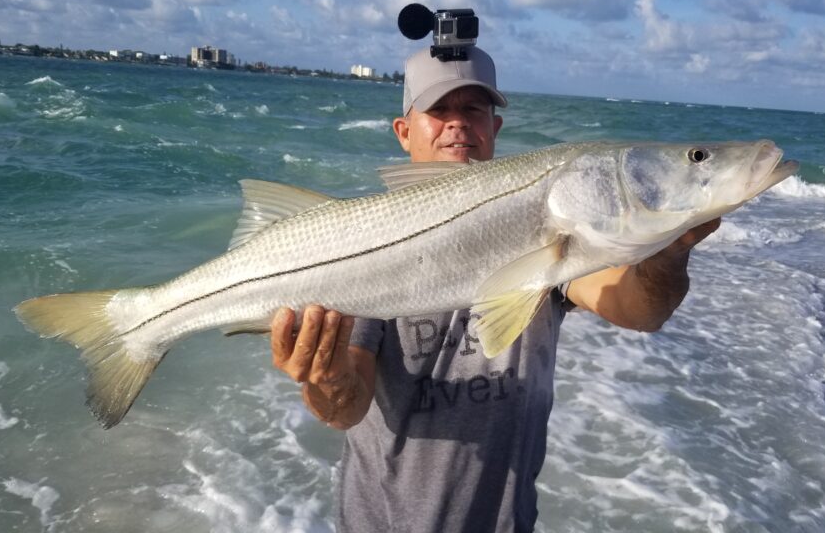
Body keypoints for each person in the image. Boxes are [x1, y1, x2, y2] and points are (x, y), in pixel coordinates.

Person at [270, 46, 720, 532]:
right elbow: (346, 409)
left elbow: (639, 311)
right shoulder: (366, 243)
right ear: (404, 132)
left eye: (473, 109)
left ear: (494, 128)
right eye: (438, 110)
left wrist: (670, 251)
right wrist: (326, 377)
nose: (457, 124)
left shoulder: (555, 229)